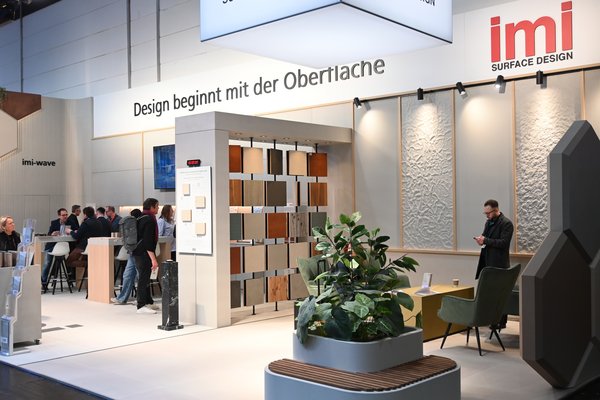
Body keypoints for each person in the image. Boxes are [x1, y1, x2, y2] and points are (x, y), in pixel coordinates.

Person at [474, 199, 514, 330]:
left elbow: (503, 243)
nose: (487, 216)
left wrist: (486, 240)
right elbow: (486, 237)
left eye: (488, 213)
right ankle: (490, 319)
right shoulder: (488, 222)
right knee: (489, 293)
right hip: (487, 261)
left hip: (499, 263)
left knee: (500, 294)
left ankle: (500, 322)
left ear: (496, 210)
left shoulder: (506, 223)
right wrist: (481, 240)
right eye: (485, 213)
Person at [133, 198, 160, 314]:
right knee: (143, 279)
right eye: (157, 206)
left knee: (145, 277)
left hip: (138, 252)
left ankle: (148, 301)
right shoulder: (149, 220)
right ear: (152, 207)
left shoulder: (141, 217)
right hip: (144, 253)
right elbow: (148, 242)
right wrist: (153, 259)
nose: (158, 208)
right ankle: (141, 305)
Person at [111, 209, 142, 305]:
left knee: (137, 276)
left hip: (137, 253)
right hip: (133, 253)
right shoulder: (135, 227)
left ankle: (141, 299)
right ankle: (122, 298)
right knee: (128, 275)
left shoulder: (137, 227)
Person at [66, 206, 104, 279]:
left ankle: (89, 264)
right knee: (84, 259)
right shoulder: (99, 222)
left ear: (85, 214)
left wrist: (70, 231)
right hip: (95, 247)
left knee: (69, 262)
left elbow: (76, 236)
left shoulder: (85, 223)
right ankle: (90, 265)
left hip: (83, 247)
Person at [41, 208, 69, 287]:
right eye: (63, 215)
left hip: (62, 247)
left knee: (61, 263)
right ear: (59, 216)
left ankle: (66, 280)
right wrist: (52, 233)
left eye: (66, 215)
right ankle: (43, 283)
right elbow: (49, 233)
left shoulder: (71, 222)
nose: (65, 216)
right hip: (52, 245)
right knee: (47, 263)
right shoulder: (54, 223)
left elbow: (75, 231)